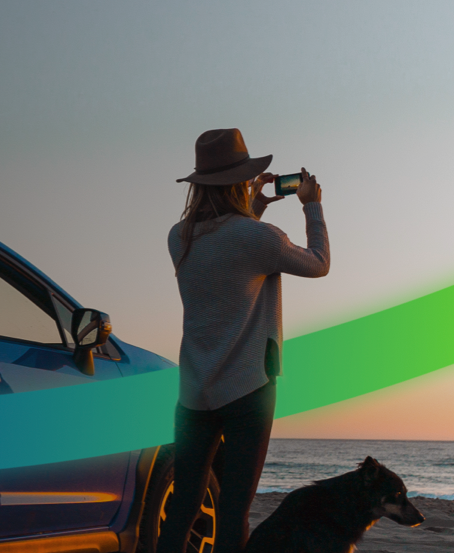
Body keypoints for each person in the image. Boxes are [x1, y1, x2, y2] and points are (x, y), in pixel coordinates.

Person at [156, 128, 328, 553]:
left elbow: (226, 248)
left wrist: (251, 209)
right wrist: (313, 206)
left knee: (183, 505)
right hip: (249, 387)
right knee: (234, 510)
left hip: (194, 390)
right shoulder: (259, 238)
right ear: (240, 181)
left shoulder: (179, 237)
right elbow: (319, 264)